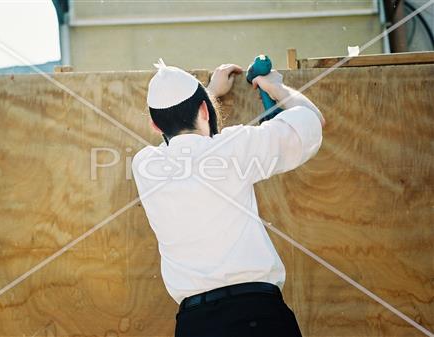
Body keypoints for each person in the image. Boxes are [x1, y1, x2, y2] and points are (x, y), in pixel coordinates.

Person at [131, 59, 325, 337]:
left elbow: (187, 149)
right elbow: (311, 121)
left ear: (154, 125)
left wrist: (207, 94)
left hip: (195, 326)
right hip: (259, 317)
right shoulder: (234, 148)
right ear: (203, 110)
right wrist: (277, 87)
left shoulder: (144, 166)